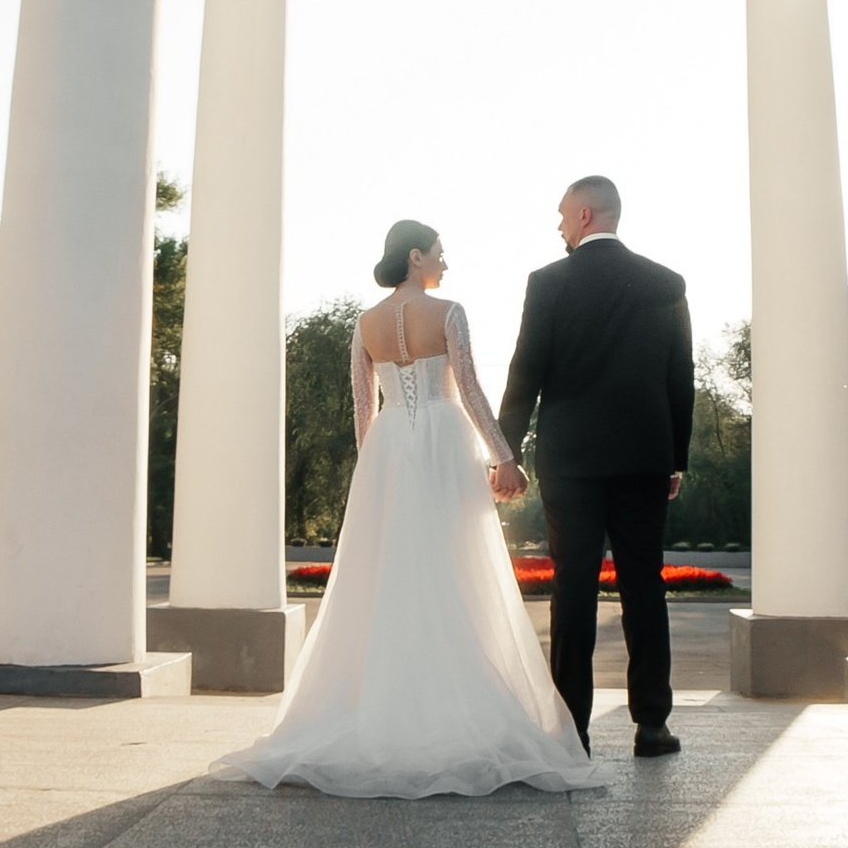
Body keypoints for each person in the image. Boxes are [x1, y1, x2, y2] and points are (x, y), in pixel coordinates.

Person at [212, 219, 599, 800]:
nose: (447, 262)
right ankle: (452, 708)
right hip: (444, 441)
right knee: (456, 572)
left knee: (387, 576)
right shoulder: (449, 313)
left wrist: (377, 471)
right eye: (441, 253)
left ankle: (383, 707)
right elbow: (468, 390)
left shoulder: (364, 325)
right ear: (416, 257)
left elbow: (362, 407)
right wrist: (503, 457)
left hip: (389, 449)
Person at [497, 176, 693, 759]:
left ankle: (572, 730)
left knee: (573, 590)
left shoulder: (549, 283)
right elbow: (678, 378)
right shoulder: (666, 283)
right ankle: (652, 725)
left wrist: (505, 452)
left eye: (561, 216)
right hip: (643, 460)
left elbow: (524, 373)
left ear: (584, 215)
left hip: (572, 463)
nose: (558, 227)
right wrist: (674, 458)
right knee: (644, 587)